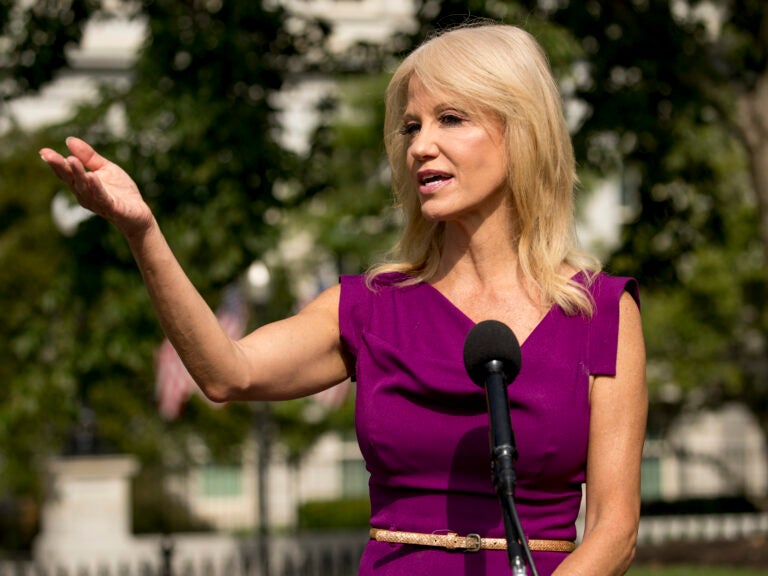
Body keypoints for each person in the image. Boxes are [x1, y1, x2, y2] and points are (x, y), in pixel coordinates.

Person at [40, 23, 647, 576]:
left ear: (521, 134)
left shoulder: (600, 313)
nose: (420, 146)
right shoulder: (370, 307)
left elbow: (614, 530)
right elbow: (228, 372)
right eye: (412, 126)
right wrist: (142, 231)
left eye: (451, 119)